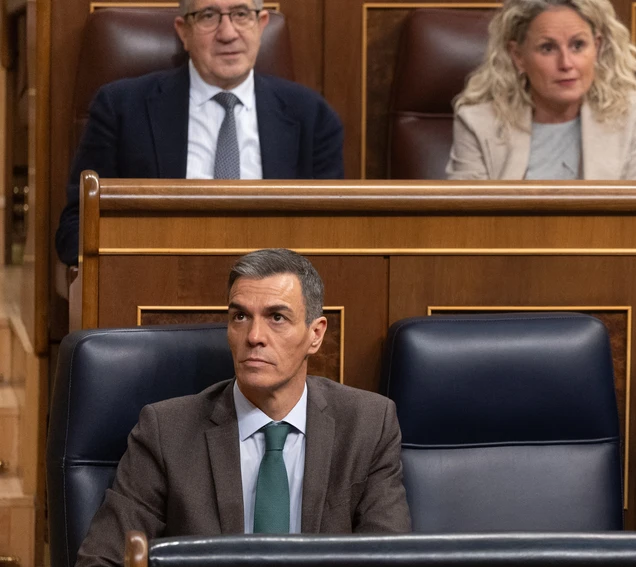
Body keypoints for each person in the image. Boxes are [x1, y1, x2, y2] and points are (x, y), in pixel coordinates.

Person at [75, 249, 410, 567]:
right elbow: (103, 558)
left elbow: (390, 557)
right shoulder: (166, 431)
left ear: (315, 334)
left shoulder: (368, 425)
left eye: (276, 317)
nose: (254, 336)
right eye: (240, 317)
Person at [55, 0, 345, 266]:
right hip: (160, 287)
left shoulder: (313, 118)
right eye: (209, 16)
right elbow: (76, 228)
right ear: (184, 31)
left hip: (274, 302)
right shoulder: (122, 109)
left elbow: (334, 234)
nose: (228, 33)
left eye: (241, 14)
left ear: (261, 24)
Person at [446, 0, 636, 180]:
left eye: (578, 45)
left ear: (596, 47)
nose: (566, 63)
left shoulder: (629, 113)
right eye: (547, 48)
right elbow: (467, 220)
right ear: (518, 56)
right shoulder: (478, 122)